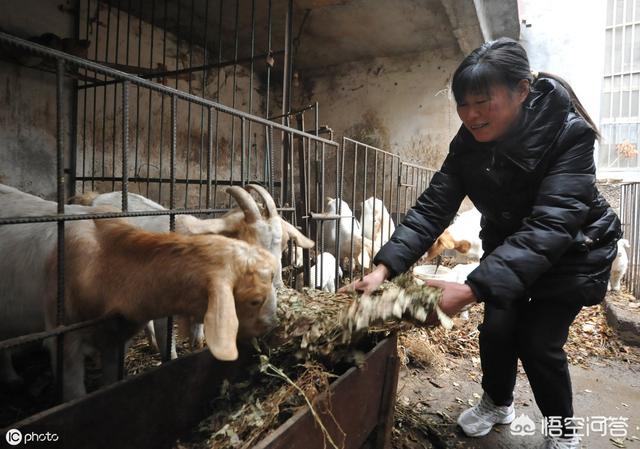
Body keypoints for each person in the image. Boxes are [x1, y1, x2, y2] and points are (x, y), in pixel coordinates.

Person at [341, 37, 622, 449]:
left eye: (482, 102)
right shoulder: (469, 140)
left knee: (539, 343)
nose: (470, 115)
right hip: (511, 247)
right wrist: (383, 269)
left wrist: (472, 288)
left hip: (574, 250)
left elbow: (551, 224)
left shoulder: (569, 135)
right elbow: (432, 208)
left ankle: (562, 430)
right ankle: (497, 402)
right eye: (462, 104)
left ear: (521, 91)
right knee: (496, 330)